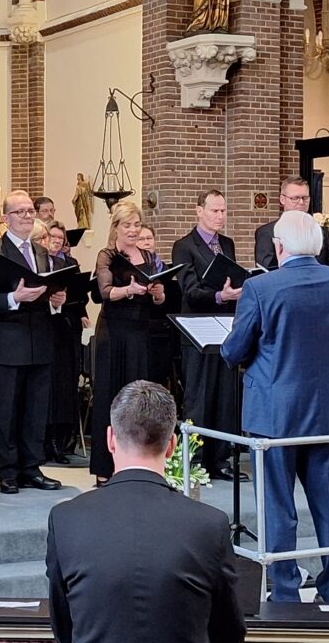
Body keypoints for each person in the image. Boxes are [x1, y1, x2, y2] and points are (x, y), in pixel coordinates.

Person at [222, 210, 329, 604]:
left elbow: (234, 350)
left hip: (275, 413)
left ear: (279, 246)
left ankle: (285, 590)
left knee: (278, 507)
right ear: (318, 245)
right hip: (328, 410)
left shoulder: (261, 288)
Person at [46, 381, 245, 643]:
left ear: (110, 440)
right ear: (172, 445)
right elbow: (228, 631)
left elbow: (63, 626)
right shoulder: (210, 525)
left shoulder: (66, 519)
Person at [0, 190, 67, 493]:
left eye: (30, 211)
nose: (27, 216)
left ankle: (31, 467)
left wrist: (56, 300)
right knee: (7, 411)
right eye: (20, 212)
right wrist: (14, 297)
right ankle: (8, 471)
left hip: (40, 339)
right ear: (6, 218)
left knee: (36, 409)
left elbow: (47, 290)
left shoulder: (42, 251)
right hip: (8, 341)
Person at [171, 189, 244, 481]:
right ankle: (193, 460)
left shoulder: (227, 243)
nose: (220, 216)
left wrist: (235, 292)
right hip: (197, 328)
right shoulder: (184, 246)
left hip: (225, 326)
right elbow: (189, 290)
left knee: (225, 396)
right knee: (198, 398)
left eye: (223, 211)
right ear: (199, 211)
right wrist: (219, 296)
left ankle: (221, 459)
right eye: (214, 210)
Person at [91, 203, 164, 484]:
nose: (133, 230)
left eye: (136, 224)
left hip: (140, 333)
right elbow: (105, 292)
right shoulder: (107, 255)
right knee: (111, 397)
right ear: (116, 228)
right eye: (127, 225)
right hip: (115, 333)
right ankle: (104, 468)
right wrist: (129, 290)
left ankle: (136, 465)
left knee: (139, 400)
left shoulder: (148, 255)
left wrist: (158, 294)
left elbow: (160, 300)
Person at [38, 219, 90, 464]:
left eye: (61, 238)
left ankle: (61, 440)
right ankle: (43, 440)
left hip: (66, 329)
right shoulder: (38, 263)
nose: (57, 241)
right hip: (45, 328)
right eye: (53, 237)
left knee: (64, 386)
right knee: (46, 386)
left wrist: (77, 308)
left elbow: (80, 296)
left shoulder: (68, 264)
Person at [254, 176, 329, 268]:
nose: (301, 202)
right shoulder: (267, 232)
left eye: (305, 198)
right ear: (282, 199)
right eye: (295, 198)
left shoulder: (320, 231)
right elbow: (265, 269)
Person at [137, 224, 179, 390]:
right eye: (141, 239)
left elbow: (171, 303)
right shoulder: (130, 267)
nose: (146, 242)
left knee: (158, 380)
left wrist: (160, 297)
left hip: (160, 332)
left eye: (149, 238)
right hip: (139, 328)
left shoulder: (163, 268)